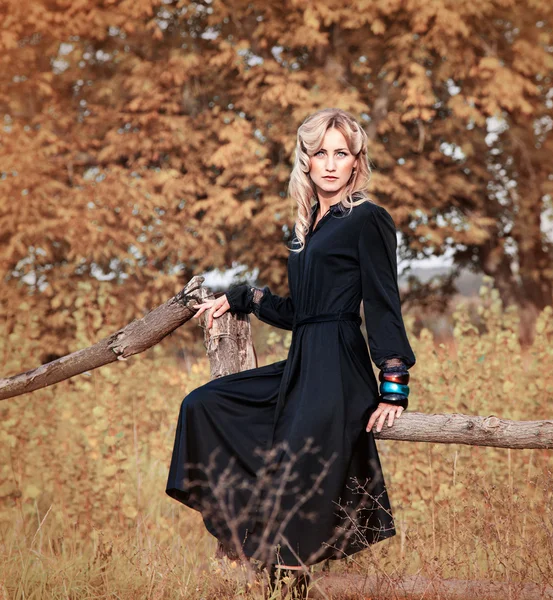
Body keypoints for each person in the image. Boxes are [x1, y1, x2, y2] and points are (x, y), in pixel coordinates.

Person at [165, 108, 416, 589]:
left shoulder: (369, 219)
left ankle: (289, 583)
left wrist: (393, 385)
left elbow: (383, 302)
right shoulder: (307, 228)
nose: (329, 163)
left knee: (295, 486)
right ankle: (252, 548)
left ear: (356, 162)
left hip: (338, 369)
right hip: (303, 361)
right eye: (319, 152)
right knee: (203, 404)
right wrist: (242, 296)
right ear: (305, 160)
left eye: (340, 153)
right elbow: (299, 311)